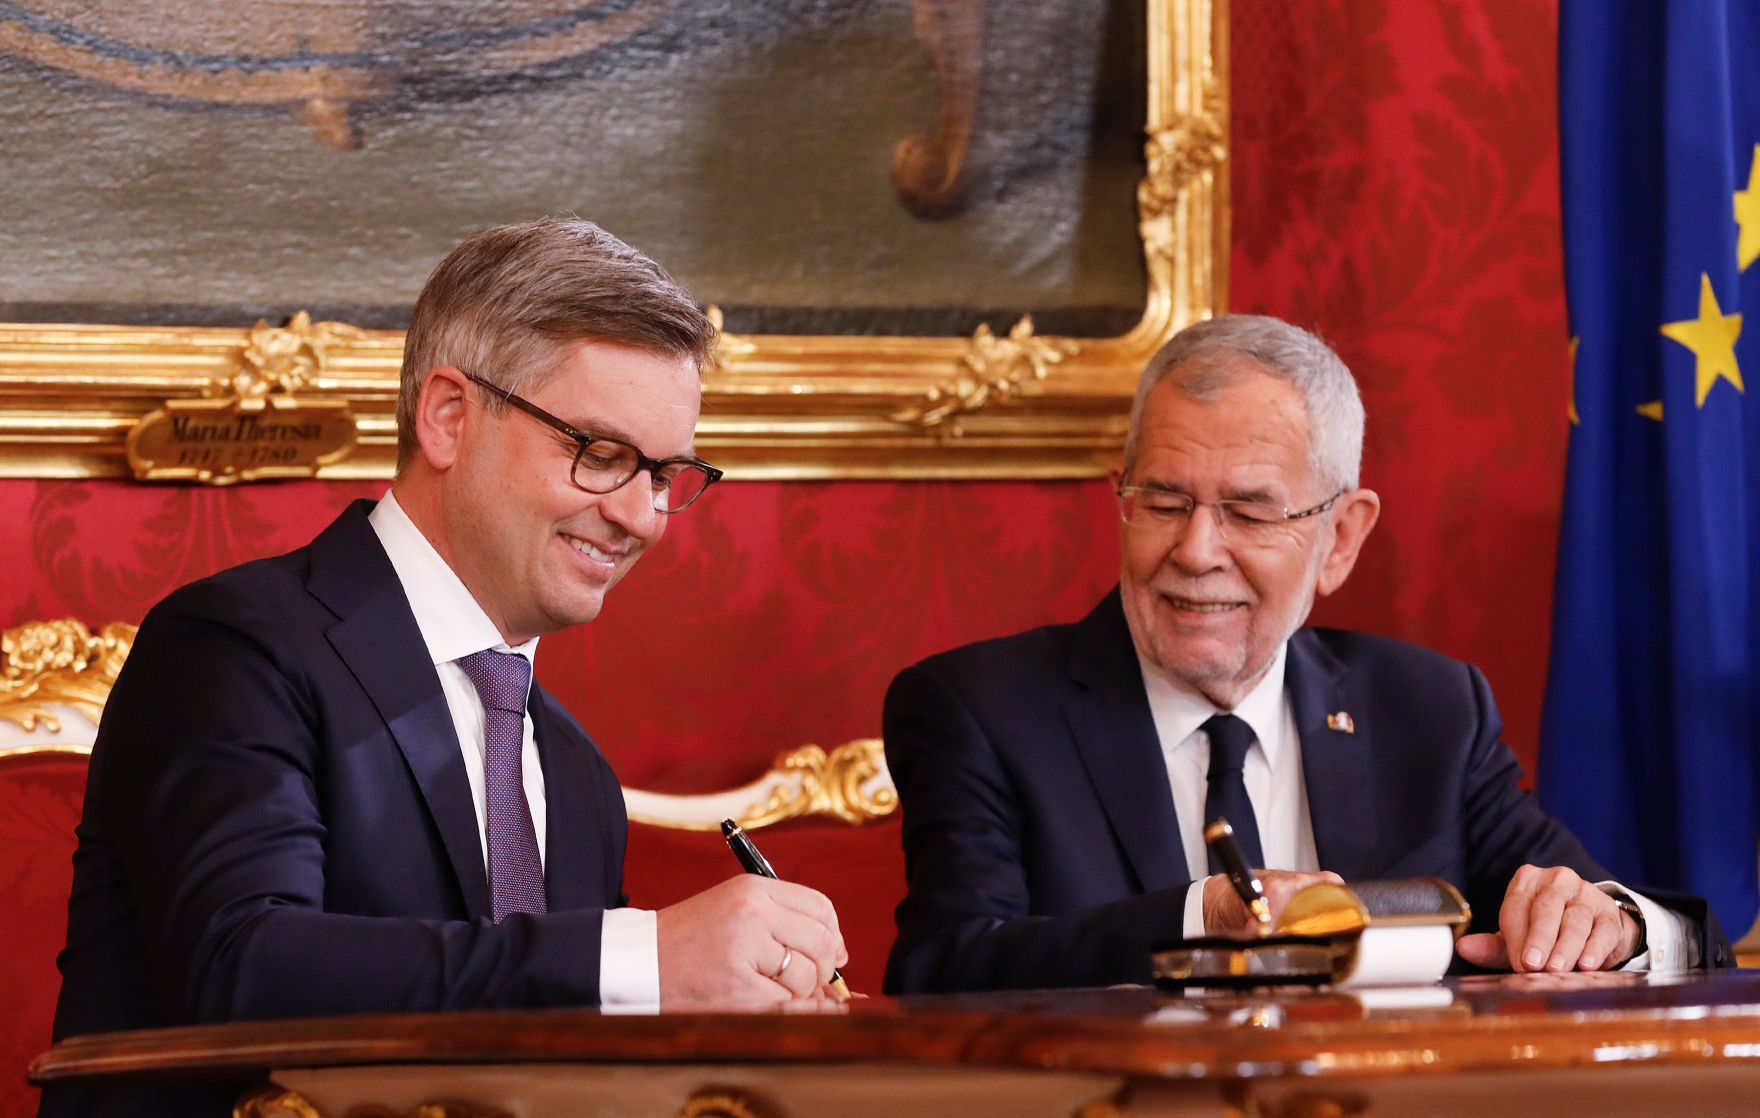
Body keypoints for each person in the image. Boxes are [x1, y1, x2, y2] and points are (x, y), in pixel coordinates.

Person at [47, 218, 846, 1115]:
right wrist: (641, 958)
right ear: (449, 417)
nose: (640, 516)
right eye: (602, 455)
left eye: (664, 474)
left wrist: (736, 1006)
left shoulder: (576, 774)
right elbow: (241, 969)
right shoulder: (234, 648)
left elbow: (570, 1054)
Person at [882, 314, 1730, 995]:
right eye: (1165, 501)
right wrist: (1199, 916)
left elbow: (1686, 935)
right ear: (1122, 502)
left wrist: (1610, 922)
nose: (1196, 549)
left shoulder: (1428, 710)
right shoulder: (980, 711)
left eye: (1249, 513)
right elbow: (943, 969)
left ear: (1341, 539)